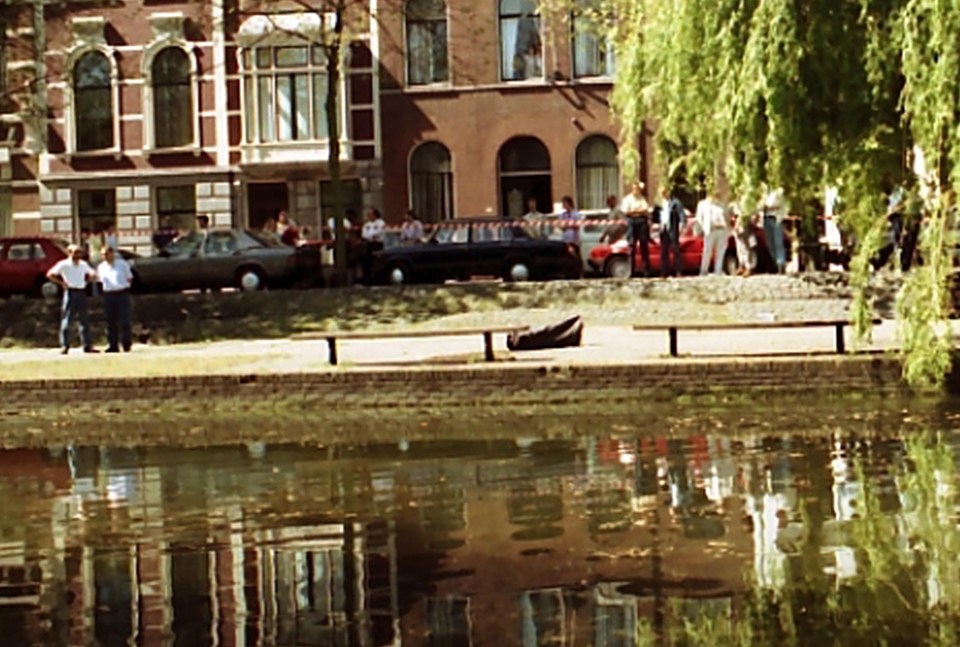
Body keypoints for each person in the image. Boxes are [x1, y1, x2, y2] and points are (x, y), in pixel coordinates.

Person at [46, 243, 98, 354]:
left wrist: (88, 280)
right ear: (69, 253)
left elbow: (93, 274)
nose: (78, 255)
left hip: (81, 291)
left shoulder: (83, 264)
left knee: (84, 320)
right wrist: (61, 283)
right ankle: (65, 345)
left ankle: (87, 345)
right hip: (70, 292)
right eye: (75, 252)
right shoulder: (64, 264)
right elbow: (50, 274)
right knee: (67, 320)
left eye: (79, 252)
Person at [96, 245, 134, 353]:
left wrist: (126, 289)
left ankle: (126, 344)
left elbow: (130, 278)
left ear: (112, 253)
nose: (105, 256)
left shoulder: (122, 264)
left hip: (122, 293)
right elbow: (100, 282)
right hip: (108, 295)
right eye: (103, 255)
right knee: (110, 321)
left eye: (107, 254)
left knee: (124, 320)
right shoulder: (101, 267)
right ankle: (113, 345)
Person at [697, 189, 729, 276]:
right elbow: (699, 218)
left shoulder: (722, 205)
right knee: (707, 251)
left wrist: (728, 229)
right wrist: (703, 228)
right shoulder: (703, 204)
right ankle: (704, 270)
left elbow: (727, 216)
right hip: (710, 230)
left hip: (722, 229)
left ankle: (718, 270)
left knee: (720, 251)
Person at [622, 182, 652, 276]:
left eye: (638, 189)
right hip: (632, 222)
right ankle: (631, 271)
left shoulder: (642, 198)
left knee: (644, 246)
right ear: (632, 189)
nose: (637, 191)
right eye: (635, 189)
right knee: (632, 247)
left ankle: (646, 271)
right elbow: (626, 211)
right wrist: (638, 211)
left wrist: (636, 211)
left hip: (642, 222)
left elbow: (646, 210)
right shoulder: (627, 199)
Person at [657, 186, 684, 277]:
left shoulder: (675, 202)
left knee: (675, 250)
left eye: (665, 192)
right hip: (663, 229)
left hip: (672, 228)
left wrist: (681, 225)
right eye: (662, 193)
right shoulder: (660, 204)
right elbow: (656, 216)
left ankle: (678, 271)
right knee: (664, 251)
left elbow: (681, 214)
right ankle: (664, 272)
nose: (663, 194)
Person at [762, 187, 787, 273]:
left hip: (776, 219)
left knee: (778, 242)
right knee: (770, 243)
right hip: (766, 218)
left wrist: (769, 207)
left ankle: (781, 264)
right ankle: (775, 262)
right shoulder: (764, 192)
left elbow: (778, 205)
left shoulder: (778, 191)